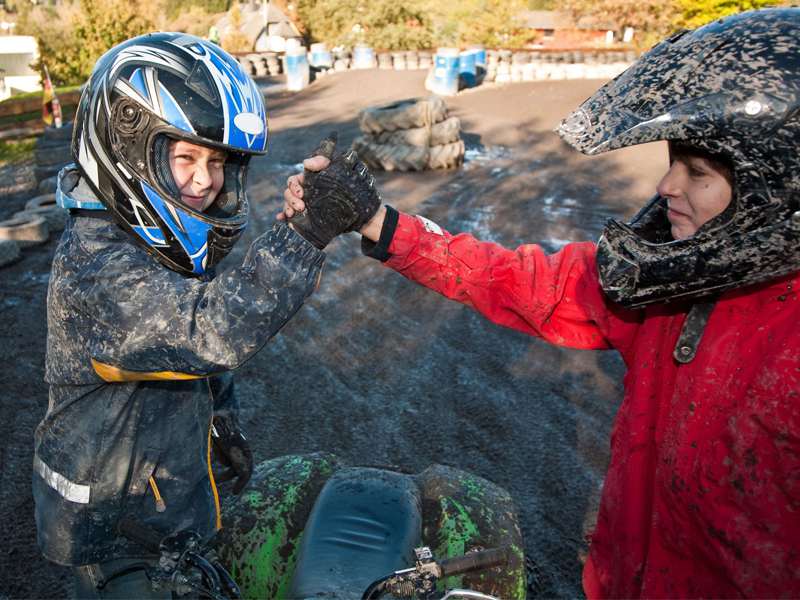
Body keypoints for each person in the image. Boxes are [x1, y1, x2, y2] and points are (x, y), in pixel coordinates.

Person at [281, 8, 800, 598]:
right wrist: (379, 223)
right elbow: (520, 281)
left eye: (698, 173)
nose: (666, 187)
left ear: (777, 192)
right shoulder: (668, 280)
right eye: (671, 162)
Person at [34, 33, 378, 598]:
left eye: (217, 162)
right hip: (113, 534)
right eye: (186, 157)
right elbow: (204, 333)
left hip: (157, 501)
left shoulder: (147, 246)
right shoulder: (97, 267)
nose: (204, 180)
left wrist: (220, 422)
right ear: (127, 148)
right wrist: (304, 234)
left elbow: (186, 362)